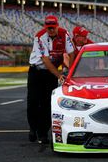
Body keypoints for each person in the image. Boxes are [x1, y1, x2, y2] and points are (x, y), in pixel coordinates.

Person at [27, 15, 74, 144]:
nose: (51, 30)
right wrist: (59, 75)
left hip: (50, 74)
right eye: (49, 28)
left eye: (53, 28)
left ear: (57, 26)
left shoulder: (65, 34)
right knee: (33, 101)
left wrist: (71, 71)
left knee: (48, 104)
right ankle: (33, 128)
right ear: (45, 27)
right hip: (36, 71)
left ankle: (43, 133)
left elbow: (71, 53)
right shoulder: (39, 36)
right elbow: (46, 60)